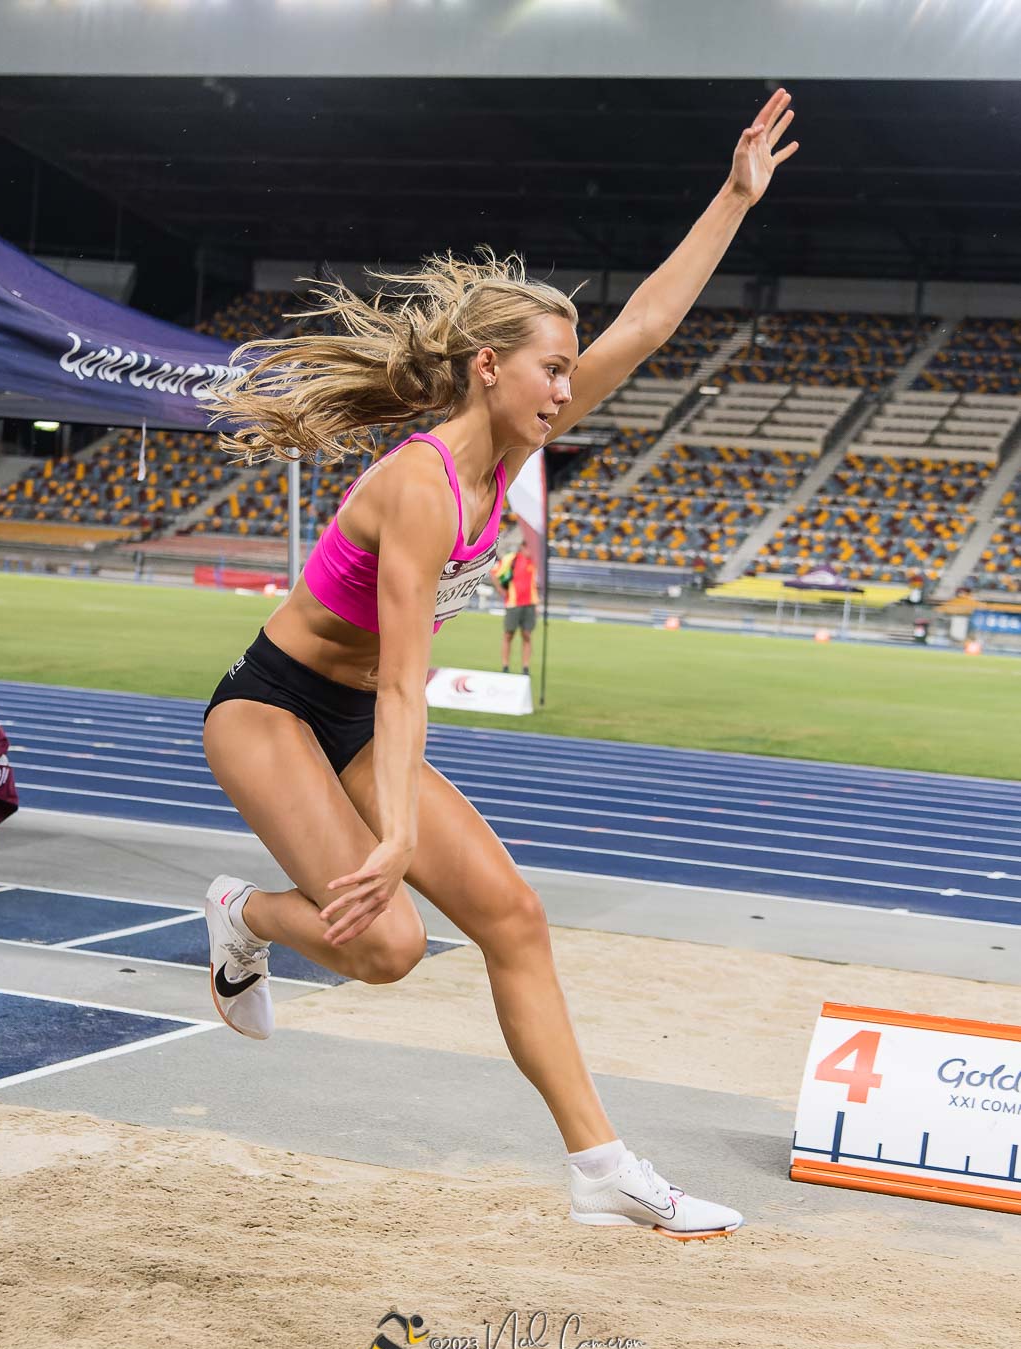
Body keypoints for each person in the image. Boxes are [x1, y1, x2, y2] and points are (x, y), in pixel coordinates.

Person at [201, 89, 798, 1242]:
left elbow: (649, 326)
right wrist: (392, 837)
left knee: (515, 916)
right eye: (553, 371)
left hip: (357, 718)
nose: (569, 390)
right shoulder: (422, 486)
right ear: (489, 367)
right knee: (388, 945)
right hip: (272, 708)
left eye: (571, 372)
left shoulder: (518, 448)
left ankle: (602, 1168)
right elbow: (402, 680)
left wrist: (734, 197)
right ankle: (246, 912)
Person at [495, 546, 539, 674]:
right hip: (513, 603)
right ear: (523, 547)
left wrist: (537, 604)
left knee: (527, 635)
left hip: (530, 603)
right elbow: (495, 571)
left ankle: (525, 667)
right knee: (509, 634)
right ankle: (505, 665)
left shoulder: (534, 561)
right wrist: (500, 589)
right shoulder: (512, 558)